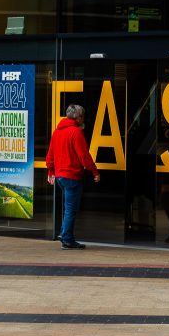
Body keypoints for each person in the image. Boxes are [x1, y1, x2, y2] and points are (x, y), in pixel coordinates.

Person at [46, 104, 100, 250]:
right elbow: (84, 156)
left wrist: (51, 172)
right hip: (72, 177)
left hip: (60, 177)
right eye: (83, 116)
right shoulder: (76, 133)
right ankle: (67, 239)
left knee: (68, 208)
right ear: (78, 117)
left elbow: (50, 155)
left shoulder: (57, 132)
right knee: (71, 209)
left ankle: (64, 234)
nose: (84, 119)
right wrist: (94, 171)